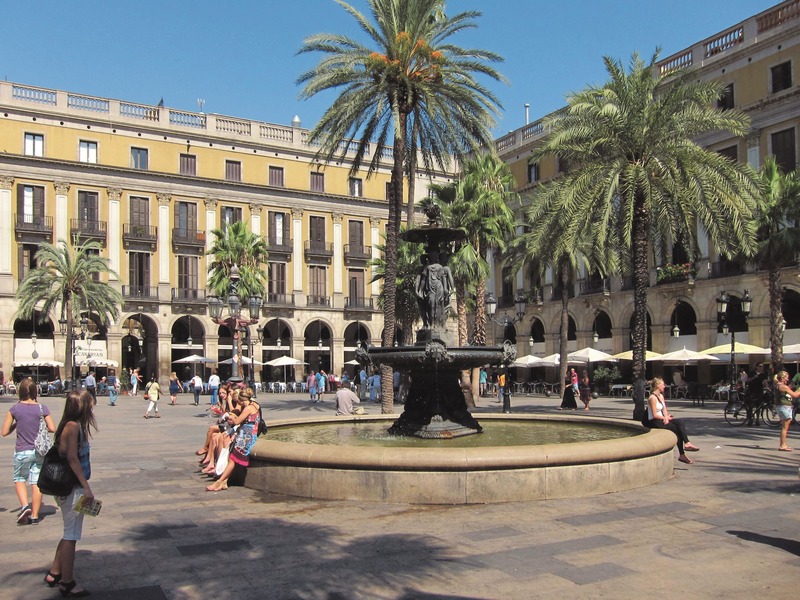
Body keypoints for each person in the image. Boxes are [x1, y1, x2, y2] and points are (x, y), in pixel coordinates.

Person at [45, 389, 96, 597]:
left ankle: (54, 572)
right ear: (83, 406)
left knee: (69, 531)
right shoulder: (74, 427)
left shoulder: (69, 425)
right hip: (72, 487)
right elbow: (72, 459)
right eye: (90, 403)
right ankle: (67, 582)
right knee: (71, 535)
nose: (93, 406)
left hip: (68, 487)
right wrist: (86, 486)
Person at [1, 378, 56, 525]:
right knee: (36, 482)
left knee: (19, 479)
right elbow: (52, 428)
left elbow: (4, 432)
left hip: (22, 450)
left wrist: (15, 425)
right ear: (34, 391)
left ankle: (25, 506)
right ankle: (35, 516)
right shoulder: (42, 408)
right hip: (38, 451)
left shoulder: (14, 409)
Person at [207, 388, 260, 492]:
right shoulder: (254, 405)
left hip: (246, 437)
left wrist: (230, 418)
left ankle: (220, 481)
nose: (238, 404)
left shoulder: (248, 408)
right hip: (246, 434)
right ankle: (223, 481)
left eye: (238, 401)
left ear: (241, 400)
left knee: (232, 459)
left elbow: (237, 421)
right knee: (232, 458)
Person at [646, 377, 699, 464]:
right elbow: (655, 415)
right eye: (663, 384)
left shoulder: (660, 396)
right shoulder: (652, 398)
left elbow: (664, 410)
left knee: (680, 422)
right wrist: (665, 418)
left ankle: (687, 443)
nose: (664, 386)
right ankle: (682, 454)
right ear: (657, 385)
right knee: (675, 428)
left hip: (662, 418)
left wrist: (666, 417)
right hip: (654, 421)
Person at [773, 371, 800, 451]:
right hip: (784, 407)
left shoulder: (778, 385)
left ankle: (783, 444)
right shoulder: (783, 386)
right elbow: (795, 395)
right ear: (782, 378)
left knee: (784, 427)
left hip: (781, 406)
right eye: (786, 377)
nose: (788, 379)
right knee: (785, 428)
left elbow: (788, 389)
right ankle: (782, 445)